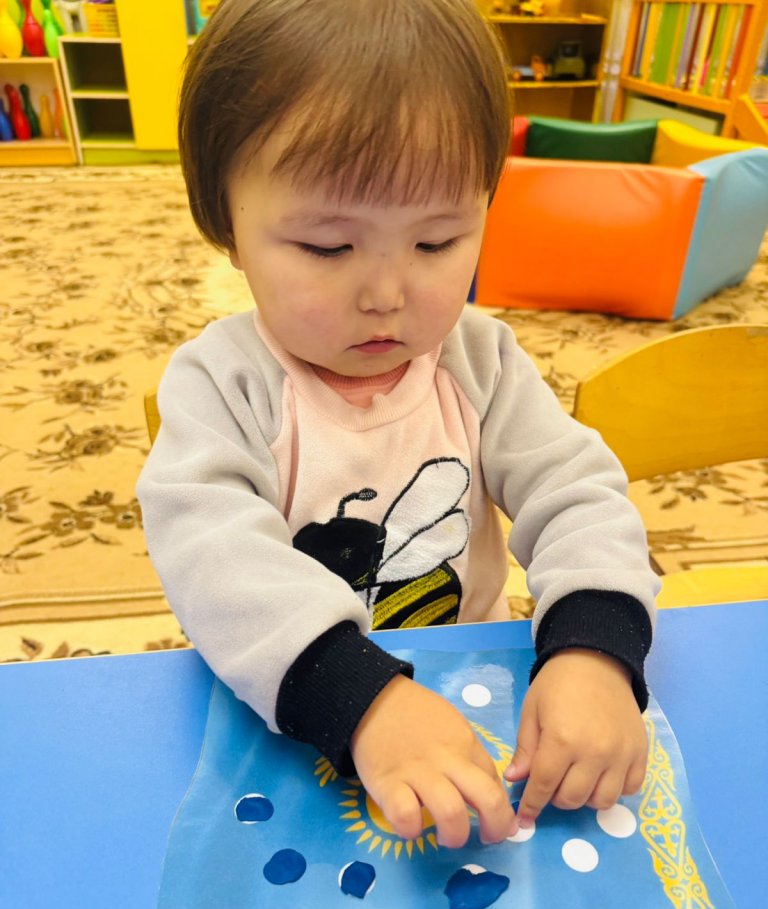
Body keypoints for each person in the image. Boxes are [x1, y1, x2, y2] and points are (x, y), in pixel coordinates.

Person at [137, 0, 659, 850]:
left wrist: (595, 648)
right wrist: (362, 699)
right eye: (327, 248)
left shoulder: (479, 361)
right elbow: (213, 557)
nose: (386, 295)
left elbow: (576, 491)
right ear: (226, 225)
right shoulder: (222, 384)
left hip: (470, 686)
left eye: (437, 242)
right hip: (293, 702)